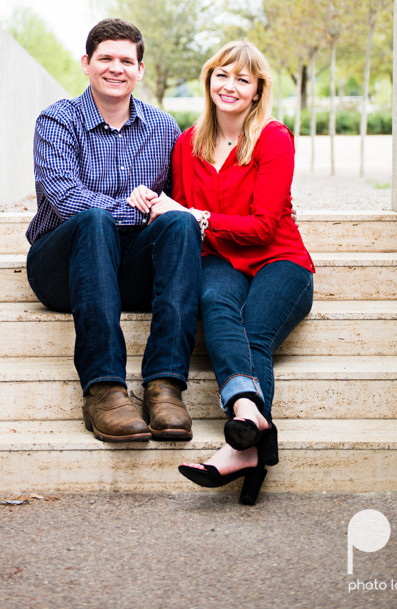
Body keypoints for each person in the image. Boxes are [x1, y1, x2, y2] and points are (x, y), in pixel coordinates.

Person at [146, 40, 315, 504]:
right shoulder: (186, 144)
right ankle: (248, 417)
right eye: (223, 74)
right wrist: (150, 202)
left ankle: (241, 446)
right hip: (220, 259)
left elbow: (263, 227)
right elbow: (177, 214)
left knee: (255, 333)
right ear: (209, 81)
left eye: (244, 79)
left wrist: (197, 217)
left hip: (280, 261)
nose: (231, 86)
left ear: (258, 91)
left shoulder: (273, 138)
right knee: (214, 301)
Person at [25, 18, 205, 444]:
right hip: (63, 267)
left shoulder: (164, 128)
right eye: (105, 58)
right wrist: (132, 209)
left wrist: (168, 210)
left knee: (179, 223)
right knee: (93, 219)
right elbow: (65, 198)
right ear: (87, 63)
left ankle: (165, 386)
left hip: (128, 270)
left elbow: (175, 208)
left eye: (127, 60)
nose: (116, 68)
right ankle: (104, 389)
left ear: (140, 70)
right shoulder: (56, 121)